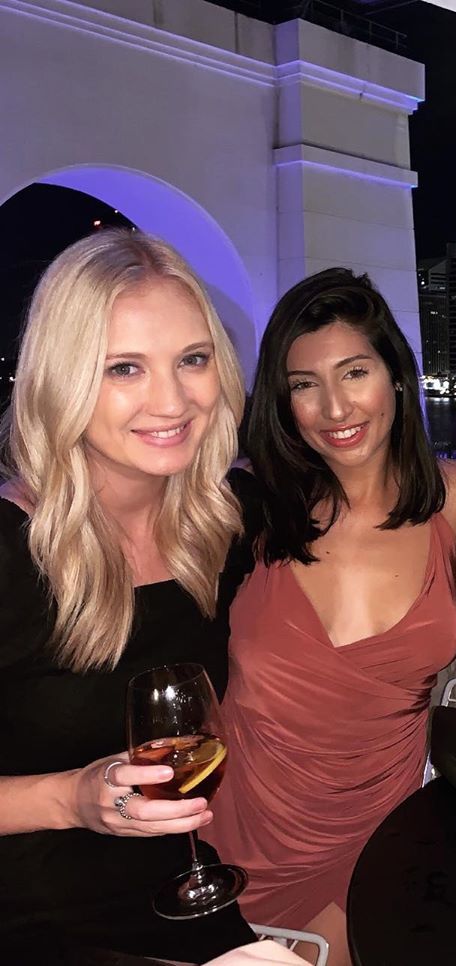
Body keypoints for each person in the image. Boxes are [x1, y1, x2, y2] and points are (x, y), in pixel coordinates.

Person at [206, 269, 456, 964]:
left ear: (395, 374)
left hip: (382, 826)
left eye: (354, 372)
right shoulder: (247, 507)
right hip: (240, 827)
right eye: (304, 384)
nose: (334, 407)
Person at [0, 230, 257, 962]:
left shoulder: (223, 523)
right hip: (27, 919)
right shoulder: (9, 553)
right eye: (124, 368)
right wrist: (71, 798)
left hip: (180, 893)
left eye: (193, 360)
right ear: (63, 379)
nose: (172, 400)